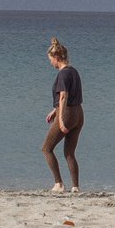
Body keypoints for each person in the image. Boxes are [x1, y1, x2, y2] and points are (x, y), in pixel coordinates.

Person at [44, 37, 83, 193]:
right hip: (79, 113)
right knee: (69, 152)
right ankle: (75, 187)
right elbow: (72, 95)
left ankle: (58, 184)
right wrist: (54, 110)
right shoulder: (74, 71)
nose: (51, 63)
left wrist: (60, 118)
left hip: (67, 113)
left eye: (51, 60)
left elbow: (64, 96)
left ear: (57, 58)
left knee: (46, 148)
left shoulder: (62, 74)